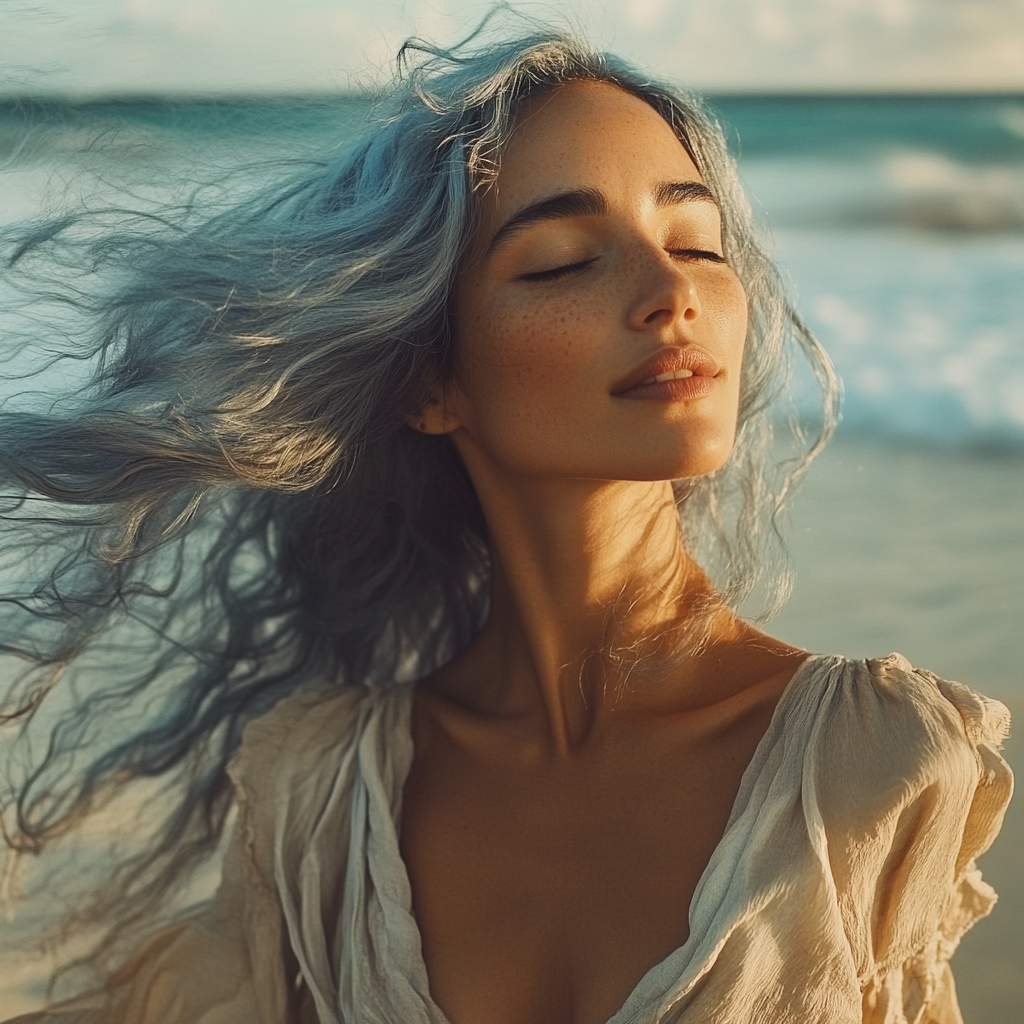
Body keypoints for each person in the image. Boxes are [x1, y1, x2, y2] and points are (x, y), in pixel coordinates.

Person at [0, 19, 1012, 1024]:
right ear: (433, 381)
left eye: (695, 241)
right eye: (566, 260)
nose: (672, 294)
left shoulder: (864, 769)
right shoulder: (326, 798)